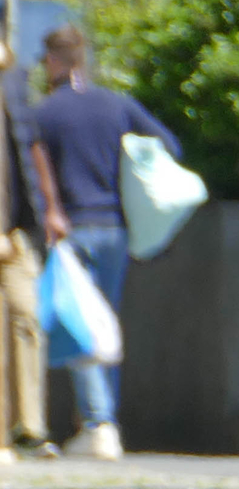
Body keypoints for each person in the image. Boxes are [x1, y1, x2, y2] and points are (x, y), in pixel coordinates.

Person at [31, 24, 181, 460]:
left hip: (71, 229)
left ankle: (99, 425)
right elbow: (168, 144)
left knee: (81, 327)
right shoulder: (117, 105)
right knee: (104, 325)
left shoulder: (46, 113)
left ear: (56, 62)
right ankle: (98, 422)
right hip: (115, 228)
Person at [0, 46, 66, 460]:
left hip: (17, 231)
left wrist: (49, 208)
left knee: (28, 317)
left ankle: (30, 427)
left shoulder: (14, 84)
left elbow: (31, 148)